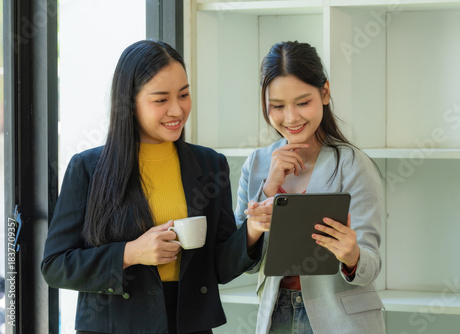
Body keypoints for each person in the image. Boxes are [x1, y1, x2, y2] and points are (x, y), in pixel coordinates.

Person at [41, 39, 263, 334]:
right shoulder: (88, 168)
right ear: (129, 103)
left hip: (188, 325)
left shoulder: (210, 165)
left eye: (184, 95)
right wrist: (131, 253)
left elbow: (219, 267)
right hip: (115, 326)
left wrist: (253, 229)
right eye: (161, 100)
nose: (177, 110)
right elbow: (56, 266)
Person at [239, 41, 386, 333]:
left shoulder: (354, 164)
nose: (291, 117)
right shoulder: (257, 164)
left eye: (303, 102)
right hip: (275, 314)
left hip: (340, 319)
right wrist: (270, 188)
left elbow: (371, 265)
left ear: (325, 93)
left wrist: (351, 255)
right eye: (277, 106)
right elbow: (243, 262)